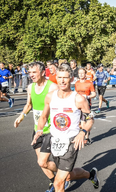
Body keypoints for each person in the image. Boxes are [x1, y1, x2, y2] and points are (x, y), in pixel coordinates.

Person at [31, 64, 99, 192]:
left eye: (65, 78)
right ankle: (90, 175)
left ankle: (62, 174)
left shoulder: (78, 99)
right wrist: (39, 130)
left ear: (71, 79)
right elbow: (44, 116)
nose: (62, 81)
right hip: (53, 137)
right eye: (60, 77)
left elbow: (90, 118)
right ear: (56, 77)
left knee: (58, 183)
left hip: (70, 140)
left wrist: (83, 132)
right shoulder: (50, 96)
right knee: (43, 163)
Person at [13, 62, 65, 192]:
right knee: (40, 161)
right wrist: (22, 116)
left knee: (43, 162)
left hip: (51, 131)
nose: (31, 75)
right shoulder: (30, 87)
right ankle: (55, 181)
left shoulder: (52, 87)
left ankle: (62, 175)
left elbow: (60, 107)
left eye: (34, 72)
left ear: (42, 72)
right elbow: (29, 104)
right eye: (30, 73)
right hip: (37, 130)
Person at [75, 68, 96, 145]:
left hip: (87, 105)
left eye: (82, 73)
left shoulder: (89, 83)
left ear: (85, 74)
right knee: (81, 122)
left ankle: (86, 137)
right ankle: (85, 134)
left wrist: (87, 97)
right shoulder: (76, 83)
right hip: (78, 105)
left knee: (84, 122)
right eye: (79, 73)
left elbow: (94, 94)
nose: (81, 75)